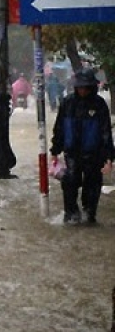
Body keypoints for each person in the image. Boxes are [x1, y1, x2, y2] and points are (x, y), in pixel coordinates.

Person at [50, 68, 115, 224]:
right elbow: (59, 128)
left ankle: (89, 214)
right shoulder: (67, 103)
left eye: (85, 87)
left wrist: (109, 157)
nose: (82, 90)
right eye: (80, 87)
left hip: (94, 153)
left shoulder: (99, 104)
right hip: (72, 152)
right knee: (70, 181)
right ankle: (71, 214)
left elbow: (106, 132)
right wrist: (55, 149)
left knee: (92, 185)